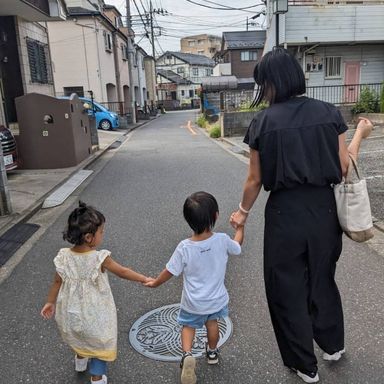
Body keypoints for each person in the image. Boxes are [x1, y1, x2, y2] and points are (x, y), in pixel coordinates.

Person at [230, 48, 373, 383]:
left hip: (285, 213)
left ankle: (305, 366)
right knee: (322, 277)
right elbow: (341, 166)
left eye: (262, 83)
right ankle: (333, 346)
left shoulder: (263, 122)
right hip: (324, 211)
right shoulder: (328, 113)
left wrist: (242, 213)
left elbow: (255, 179)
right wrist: (360, 137)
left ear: (271, 83)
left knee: (287, 287)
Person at [41, 202, 151, 384]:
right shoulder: (99, 258)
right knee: (99, 340)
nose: (103, 234)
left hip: (72, 310)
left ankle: (80, 360)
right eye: (101, 232)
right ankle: (97, 377)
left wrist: (50, 302)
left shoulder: (63, 257)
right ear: (89, 237)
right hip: (95, 312)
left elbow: (57, 281)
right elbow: (122, 271)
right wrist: (143, 278)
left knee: (79, 333)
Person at [145, 191, 244, 384]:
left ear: (188, 220)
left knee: (188, 327)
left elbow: (170, 271)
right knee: (212, 324)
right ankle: (212, 353)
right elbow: (238, 245)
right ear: (216, 215)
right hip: (215, 301)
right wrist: (240, 227)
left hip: (193, 303)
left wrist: (155, 282)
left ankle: (187, 355)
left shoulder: (184, 247)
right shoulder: (223, 240)